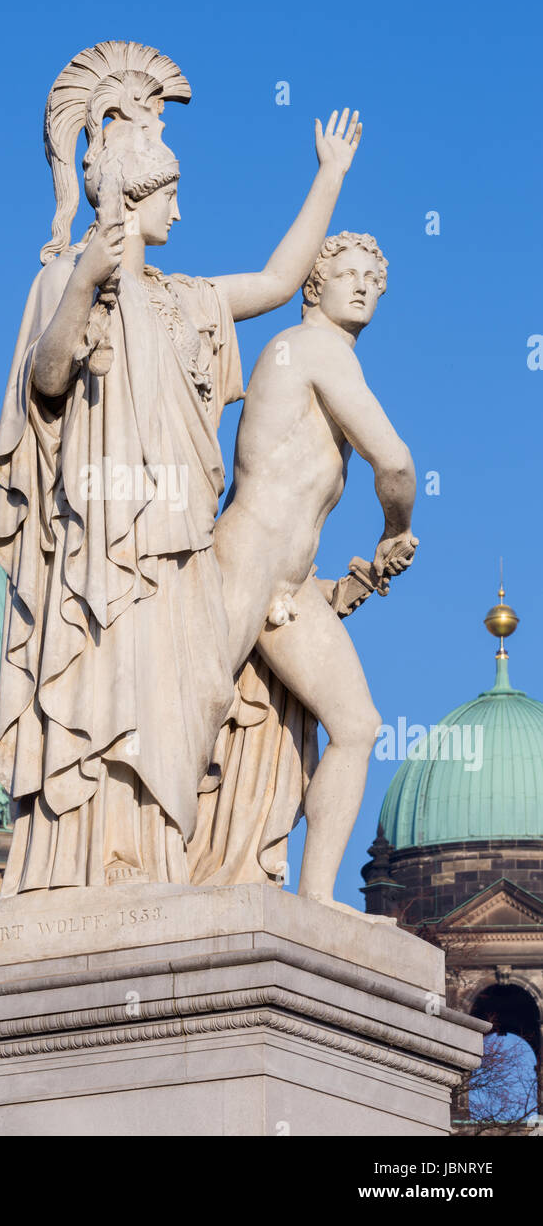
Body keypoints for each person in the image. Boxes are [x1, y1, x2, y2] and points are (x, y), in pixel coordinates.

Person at [0, 41, 363, 893]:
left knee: (173, 703)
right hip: (100, 544)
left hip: (177, 540)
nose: (181, 214)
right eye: (171, 196)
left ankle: (156, 857)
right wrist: (85, 283)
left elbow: (277, 279)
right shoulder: (63, 280)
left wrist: (330, 176)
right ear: (133, 194)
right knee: (109, 686)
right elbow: (46, 382)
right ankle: (97, 860)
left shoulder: (185, 298)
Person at [194, 232, 417, 907]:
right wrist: (397, 530)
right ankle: (151, 864)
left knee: (357, 725)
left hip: (287, 583)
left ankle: (317, 900)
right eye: (346, 273)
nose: (362, 286)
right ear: (312, 287)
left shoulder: (319, 355)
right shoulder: (314, 349)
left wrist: (339, 584)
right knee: (195, 719)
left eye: (373, 280)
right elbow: (397, 463)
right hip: (247, 563)